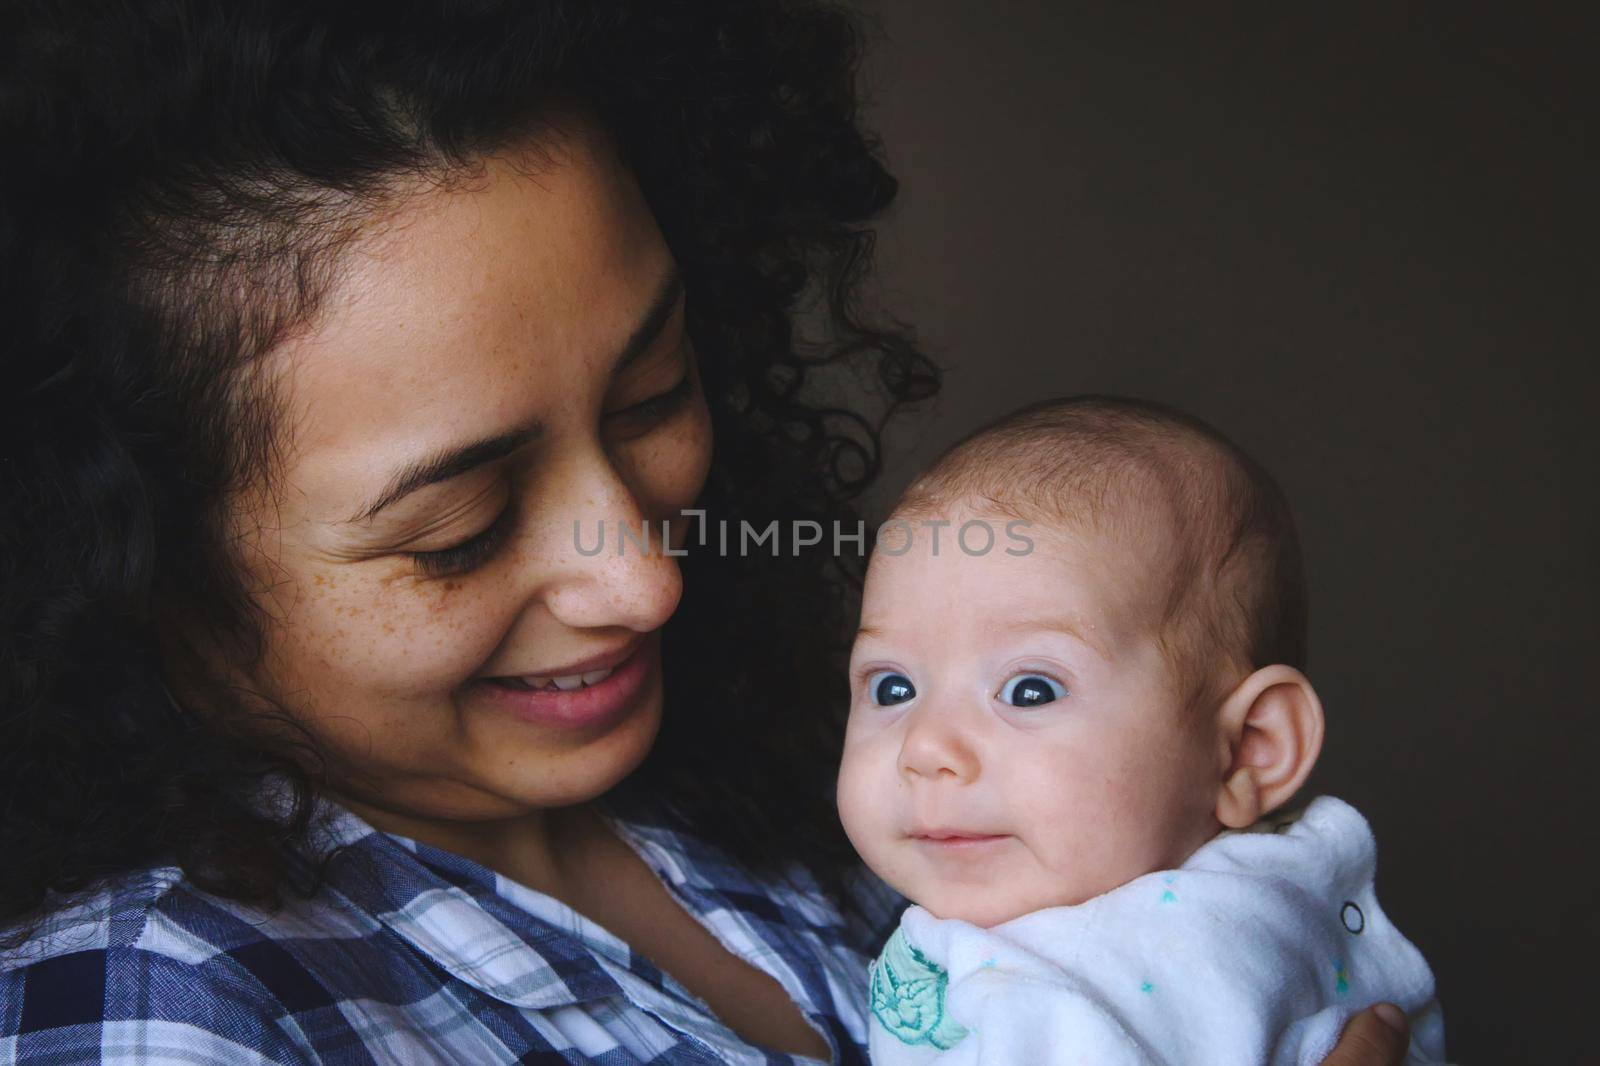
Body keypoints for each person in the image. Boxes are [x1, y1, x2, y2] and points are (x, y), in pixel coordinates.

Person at [0, 2, 1414, 1062]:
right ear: (141, 567)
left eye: (655, 392)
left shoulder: (831, 815)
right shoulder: (160, 1001)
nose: (646, 576)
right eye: (460, 525)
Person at [837, 396, 1446, 1063]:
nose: (924, 747)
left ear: (1248, 751)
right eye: (892, 687)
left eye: (1030, 689)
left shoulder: (1095, 991)